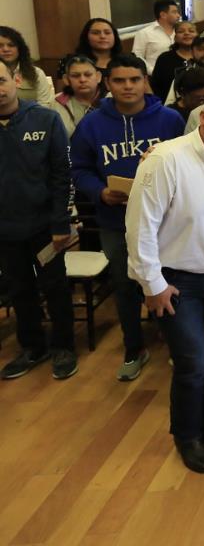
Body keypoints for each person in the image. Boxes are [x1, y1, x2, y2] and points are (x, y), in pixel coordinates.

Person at [125, 91, 204, 473]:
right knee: (194, 361)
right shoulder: (166, 159)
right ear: (203, 119)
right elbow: (139, 225)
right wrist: (153, 284)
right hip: (176, 281)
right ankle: (187, 436)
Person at [71, 54, 185, 381]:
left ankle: (176, 342)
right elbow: (79, 169)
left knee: (168, 282)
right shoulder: (92, 124)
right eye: (119, 81)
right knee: (124, 285)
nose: (127, 86)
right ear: (107, 84)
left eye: (134, 80)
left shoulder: (169, 119)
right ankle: (134, 347)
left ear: (144, 81)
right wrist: (100, 192)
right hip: (115, 220)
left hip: (164, 221)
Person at [0, 61, 77, 381]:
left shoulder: (45, 119)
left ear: (16, 80)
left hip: (45, 225)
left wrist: (61, 223)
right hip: (5, 229)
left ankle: (63, 346)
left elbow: (62, 176)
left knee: (55, 286)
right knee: (19, 289)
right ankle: (33, 346)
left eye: (1, 80)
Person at [0, 26, 54, 107]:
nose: (6, 49)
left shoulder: (36, 73)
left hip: (34, 117)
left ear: (20, 48)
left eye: (11, 45)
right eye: (0, 46)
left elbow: (45, 103)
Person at [53, 55, 103, 138]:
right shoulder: (55, 103)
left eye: (88, 75)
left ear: (98, 77)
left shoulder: (110, 100)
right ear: (66, 79)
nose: (82, 80)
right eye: (75, 76)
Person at [150, 21, 198, 100]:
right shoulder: (164, 58)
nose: (186, 33)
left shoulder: (203, 57)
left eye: (191, 31)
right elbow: (156, 87)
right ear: (175, 37)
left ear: (197, 35)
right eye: (181, 31)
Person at [131, 0, 180, 73]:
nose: (178, 15)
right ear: (163, 15)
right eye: (174, 12)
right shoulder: (144, 33)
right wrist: (153, 71)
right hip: (156, 77)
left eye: (178, 12)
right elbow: (137, 57)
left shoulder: (180, 32)